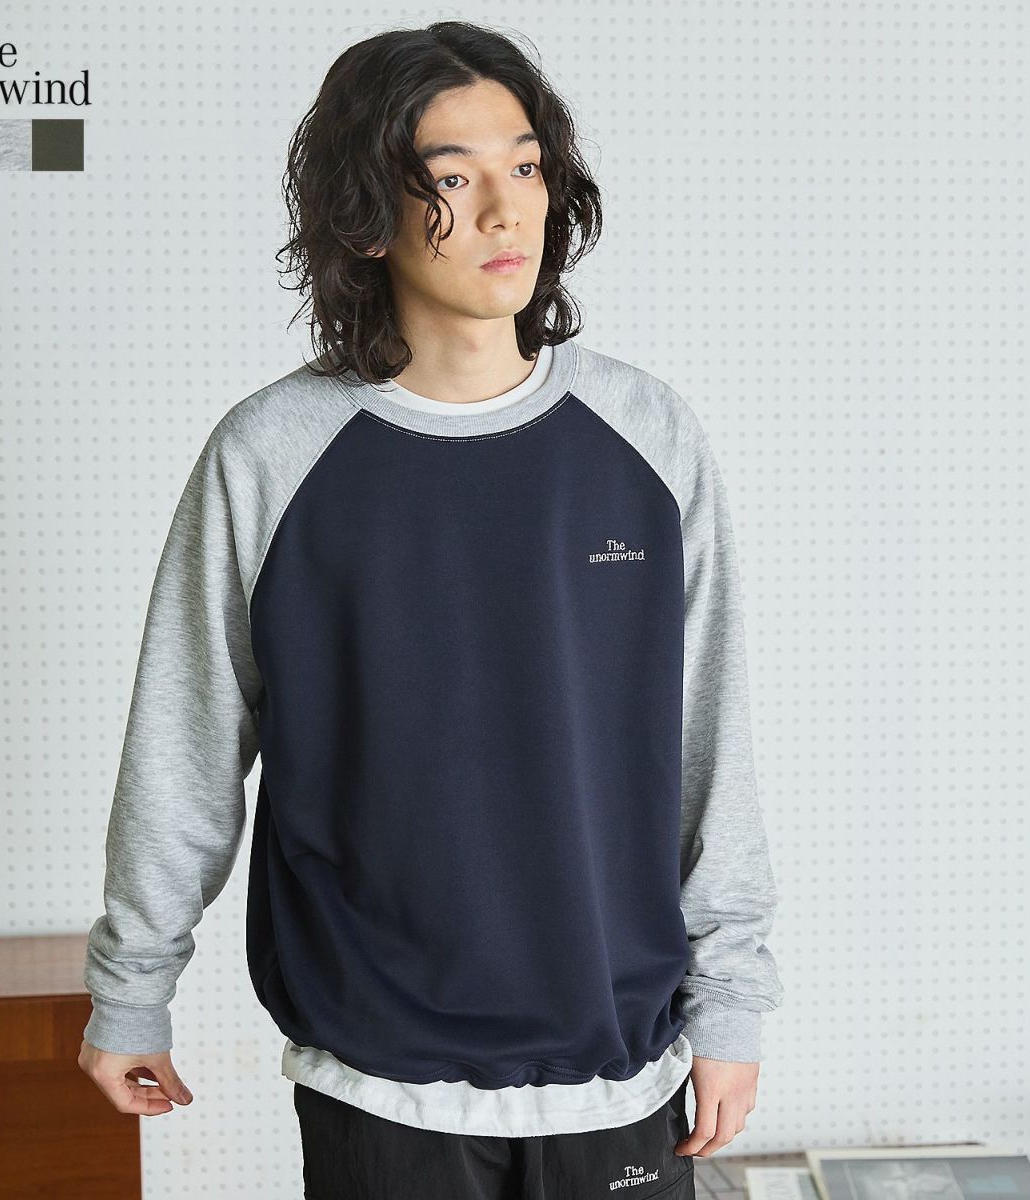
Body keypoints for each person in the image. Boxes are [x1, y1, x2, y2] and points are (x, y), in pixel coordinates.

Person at [77, 20, 785, 1200]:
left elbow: (709, 743)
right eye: (452, 179)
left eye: (526, 166)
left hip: (623, 1070)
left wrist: (734, 1002)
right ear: (366, 218)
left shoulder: (647, 438)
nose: (508, 211)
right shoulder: (272, 454)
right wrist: (132, 989)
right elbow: (186, 745)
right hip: (380, 1083)